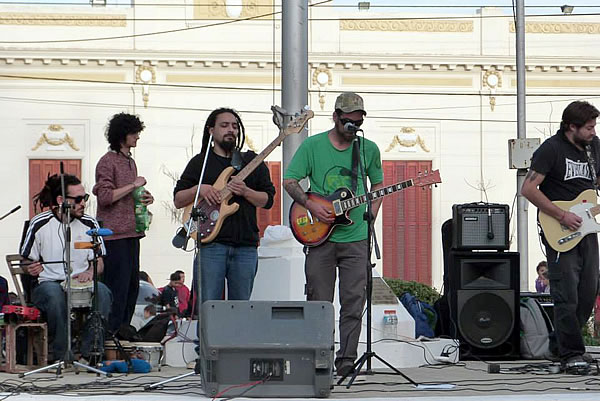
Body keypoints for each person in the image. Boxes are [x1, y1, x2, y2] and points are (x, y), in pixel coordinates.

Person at [283, 92, 384, 377]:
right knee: (318, 301)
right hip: (320, 238)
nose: (352, 126)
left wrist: (372, 213)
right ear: (336, 117)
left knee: (354, 300)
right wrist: (311, 204)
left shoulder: (368, 149)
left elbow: (378, 185)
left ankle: (346, 360)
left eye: (357, 121)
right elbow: (290, 181)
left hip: (356, 237)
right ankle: (318, 359)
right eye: (347, 121)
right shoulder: (313, 146)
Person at [521, 100, 600, 370]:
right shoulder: (551, 149)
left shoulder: (594, 148)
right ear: (571, 126)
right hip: (560, 227)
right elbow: (529, 190)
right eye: (588, 127)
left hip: (587, 228)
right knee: (567, 292)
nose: (593, 131)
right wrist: (561, 215)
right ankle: (571, 353)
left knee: (588, 290)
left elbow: (595, 182)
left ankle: (561, 345)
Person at [174, 108, 275, 304]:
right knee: (208, 306)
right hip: (211, 245)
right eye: (224, 125)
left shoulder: (251, 163)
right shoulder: (200, 163)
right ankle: (208, 337)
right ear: (211, 130)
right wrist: (200, 189)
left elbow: (268, 200)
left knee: (242, 308)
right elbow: (178, 199)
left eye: (235, 126)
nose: (231, 130)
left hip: (245, 246)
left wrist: (246, 191)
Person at [20, 173, 113, 362]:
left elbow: (99, 261)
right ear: (61, 200)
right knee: (55, 296)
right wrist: (30, 268)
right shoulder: (39, 223)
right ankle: (62, 355)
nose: (83, 203)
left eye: (84, 198)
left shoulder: (90, 224)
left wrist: (90, 272)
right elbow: (25, 261)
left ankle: (90, 352)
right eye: (78, 199)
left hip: (80, 282)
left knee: (103, 292)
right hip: (48, 283)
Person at [93, 112, 154, 333]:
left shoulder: (130, 162)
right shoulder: (107, 162)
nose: (137, 137)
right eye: (134, 133)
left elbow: (129, 193)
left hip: (132, 233)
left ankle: (124, 332)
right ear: (122, 135)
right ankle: (110, 335)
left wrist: (146, 196)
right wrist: (133, 185)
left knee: (131, 287)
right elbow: (106, 197)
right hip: (114, 235)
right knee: (116, 289)